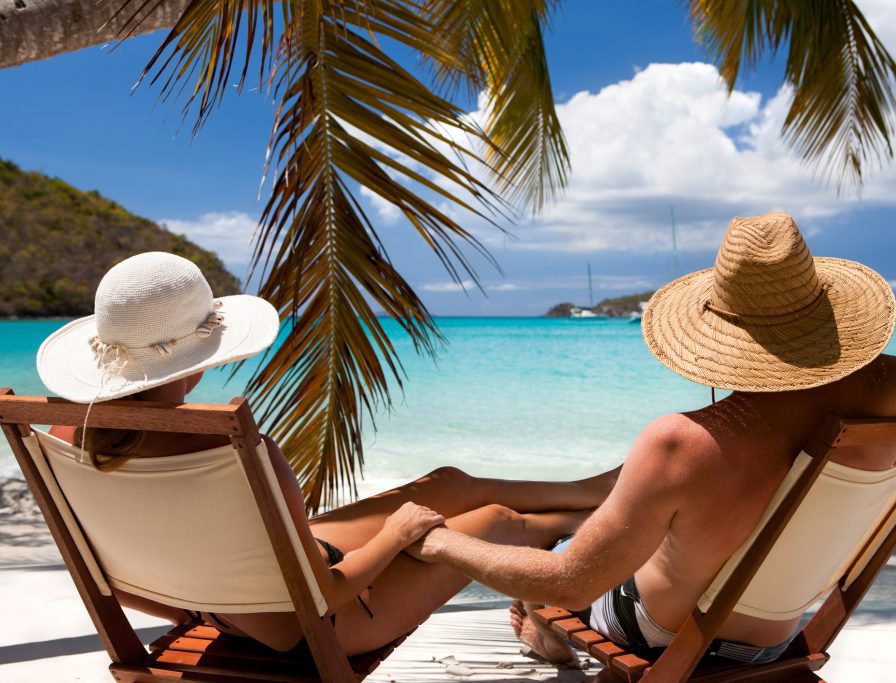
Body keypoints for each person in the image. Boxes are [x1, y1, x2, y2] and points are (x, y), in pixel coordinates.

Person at [406, 211, 896, 668]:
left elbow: (573, 584)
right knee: (604, 523)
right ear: (824, 313)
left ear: (718, 332)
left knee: (571, 550)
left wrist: (436, 544)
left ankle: (543, 629)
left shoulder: (681, 444)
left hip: (665, 637)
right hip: (780, 641)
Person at [36, 251, 617, 656]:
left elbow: (117, 583)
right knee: (494, 523)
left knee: (450, 482)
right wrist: (395, 535)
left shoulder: (64, 438)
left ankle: (596, 493)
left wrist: (206, 603)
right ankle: (589, 551)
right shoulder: (229, 447)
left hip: (238, 601)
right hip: (317, 626)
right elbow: (326, 596)